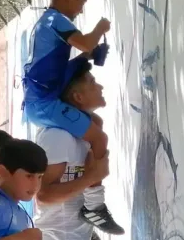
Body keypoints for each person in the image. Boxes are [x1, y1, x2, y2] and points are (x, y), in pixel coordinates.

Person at [22, 0, 121, 234]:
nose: (80, 10)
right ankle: (95, 205)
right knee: (99, 138)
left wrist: (88, 57)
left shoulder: (45, 24)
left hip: (41, 102)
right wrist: (100, 29)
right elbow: (86, 42)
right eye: (81, 3)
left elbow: (65, 65)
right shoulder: (56, 19)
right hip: (45, 104)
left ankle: (93, 201)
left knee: (95, 123)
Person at [35, 59, 123, 240]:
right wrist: (91, 177)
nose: (100, 87)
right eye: (92, 83)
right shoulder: (58, 136)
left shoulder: (87, 133)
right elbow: (44, 195)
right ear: (78, 97)